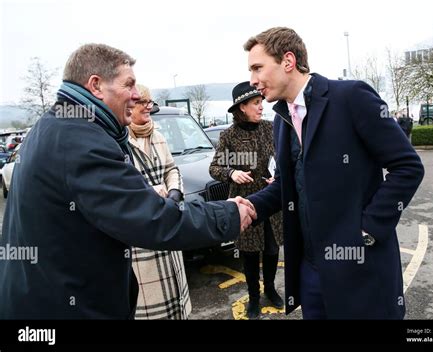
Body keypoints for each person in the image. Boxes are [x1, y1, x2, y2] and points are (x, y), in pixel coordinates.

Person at [0, 43, 255, 319]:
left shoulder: (51, 126)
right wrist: (229, 213)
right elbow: (152, 219)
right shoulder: (81, 141)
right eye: (129, 85)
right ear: (96, 85)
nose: (136, 96)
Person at [238, 27, 424, 319]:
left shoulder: (351, 97)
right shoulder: (280, 120)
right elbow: (289, 185)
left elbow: (408, 167)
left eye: (257, 68)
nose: (252, 80)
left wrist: (368, 230)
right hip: (311, 275)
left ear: (288, 61)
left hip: (362, 272)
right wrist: (251, 206)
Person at [209, 82, 283, 319]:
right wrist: (231, 173)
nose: (262, 107)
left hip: (271, 203)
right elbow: (215, 168)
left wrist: (278, 176)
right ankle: (253, 297)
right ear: (242, 107)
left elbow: (282, 160)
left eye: (262, 102)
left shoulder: (271, 128)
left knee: (272, 250)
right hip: (244, 204)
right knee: (250, 255)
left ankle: (270, 289)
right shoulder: (229, 136)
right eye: (256, 103)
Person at [128, 84, 190, 320]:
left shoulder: (159, 136)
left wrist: (175, 192)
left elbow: (171, 169)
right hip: (142, 237)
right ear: (129, 105)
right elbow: (119, 190)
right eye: (142, 102)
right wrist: (150, 192)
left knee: (177, 305)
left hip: (168, 224)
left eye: (150, 102)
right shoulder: (118, 142)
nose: (148, 107)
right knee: (150, 309)